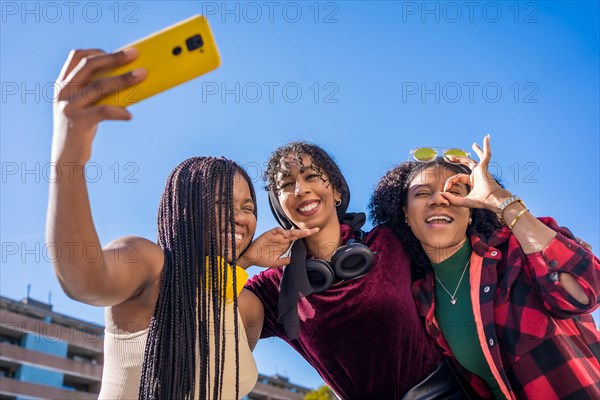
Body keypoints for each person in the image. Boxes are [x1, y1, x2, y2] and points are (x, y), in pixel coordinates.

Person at [46, 49, 314, 399]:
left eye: (248, 207)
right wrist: (69, 155)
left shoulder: (248, 308)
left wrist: (243, 262)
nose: (240, 217)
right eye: (221, 202)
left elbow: (210, 307)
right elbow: (82, 280)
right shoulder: (148, 264)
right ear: (185, 210)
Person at [369, 135, 600, 399]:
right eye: (422, 193)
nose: (438, 199)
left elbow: (587, 290)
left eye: (454, 192)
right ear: (406, 215)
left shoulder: (520, 248)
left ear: (470, 212)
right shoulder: (421, 299)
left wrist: (500, 200)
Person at [240, 142, 469, 399]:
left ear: (337, 191)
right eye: (285, 184)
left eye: (311, 176)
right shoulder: (274, 288)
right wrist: (245, 262)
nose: (300, 189)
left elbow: (457, 237)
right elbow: (211, 319)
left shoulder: (388, 240)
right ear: (279, 204)